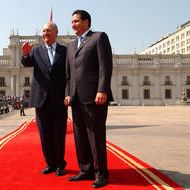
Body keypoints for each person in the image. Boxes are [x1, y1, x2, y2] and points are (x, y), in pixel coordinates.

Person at [64, 10, 113, 188]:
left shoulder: (99, 38)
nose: (73, 25)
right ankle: (85, 170)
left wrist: (102, 89)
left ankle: (101, 174)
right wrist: (67, 93)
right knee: (80, 137)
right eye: (72, 22)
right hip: (76, 98)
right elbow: (68, 75)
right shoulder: (70, 45)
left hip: (95, 97)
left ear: (86, 22)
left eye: (76, 21)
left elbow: (105, 66)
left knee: (96, 136)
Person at [21, 22, 68, 176]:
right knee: (45, 133)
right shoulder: (36, 51)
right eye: (43, 31)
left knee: (59, 133)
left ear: (56, 32)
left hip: (59, 99)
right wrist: (26, 54)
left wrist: (68, 94)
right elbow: (26, 63)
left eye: (48, 30)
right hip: (40, 99)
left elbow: (69, 75)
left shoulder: (65, 51)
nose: (45, 33)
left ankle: (60, 164)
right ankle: (50, 163)